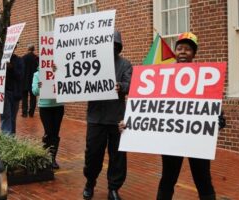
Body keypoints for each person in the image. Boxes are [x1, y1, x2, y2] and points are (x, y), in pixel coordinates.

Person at [119, 32, 226, 200]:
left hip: (197, 138)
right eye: (180, 48)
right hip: (172, 139)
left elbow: (213, 107)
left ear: (194, 54)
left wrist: (218, 119)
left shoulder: (205, 77)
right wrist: (130, 122)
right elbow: (148, 107)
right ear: (175, 51)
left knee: (203, 180)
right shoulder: (162, 77)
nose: (183, 52)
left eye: (188, 49)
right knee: (168, 178)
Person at [82, 31, 132, 200]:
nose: (111, 48)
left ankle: (113, 188)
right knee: (93, 154)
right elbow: (76, 78)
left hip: (117, 118)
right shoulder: (90, 62)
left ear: (118, 47)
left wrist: (121, 86)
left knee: (118, 156)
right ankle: (90, 181)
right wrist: (59, 71)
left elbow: (130, 84)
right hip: (96, 117)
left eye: (114, 45)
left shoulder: (125, 64)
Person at [32, 65, 64, 169]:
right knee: (48, 132)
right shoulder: (37, 74)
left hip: (58, 106)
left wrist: (57, 72)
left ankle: (52, 159)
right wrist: (39, 86)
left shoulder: (59, 71)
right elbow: (35, 91)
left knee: (55, 133)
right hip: (45, 107)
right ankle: (46, 157)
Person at [0, 46, 24, 135]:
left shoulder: (19, 60)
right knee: (6, 116)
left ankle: (11, 139)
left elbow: (21, 76)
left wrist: (12, 68)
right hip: (4, 93)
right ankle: (6, 138)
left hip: (15, 93)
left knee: (13, 117)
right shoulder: (0, 59)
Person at [22, 44, 38, 117]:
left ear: (28, 49)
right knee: (33, 97)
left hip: (24, 80)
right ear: (33, 49)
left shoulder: (23, 58)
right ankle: (31, 113)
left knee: (24, 97)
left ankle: (24, 113)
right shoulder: (37, 58)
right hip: (34, 80)